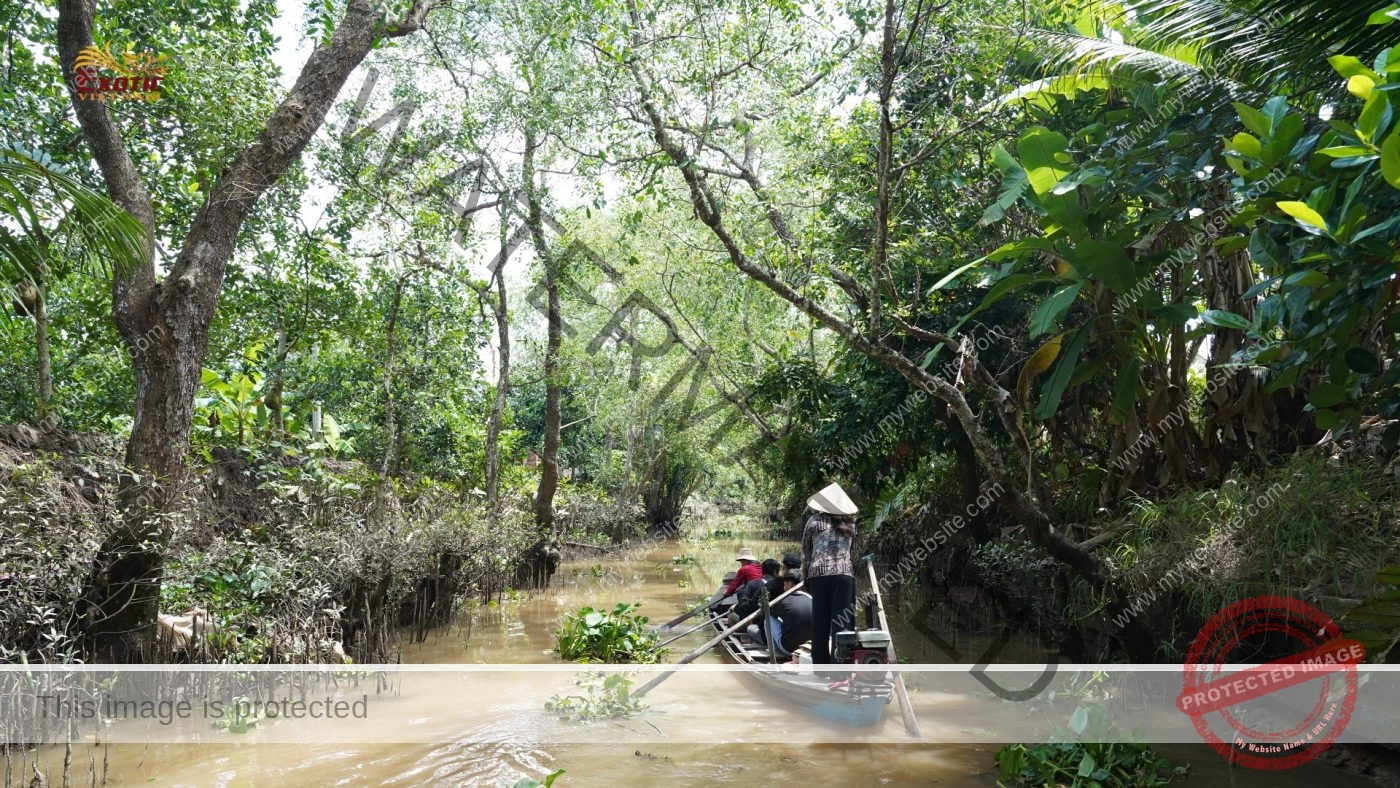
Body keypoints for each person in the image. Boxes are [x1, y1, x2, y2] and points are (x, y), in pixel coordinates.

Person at [801, 482, 858, 673]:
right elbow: (851, 551)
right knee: (842, 624)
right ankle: (840, 669)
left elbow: (806, 553)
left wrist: (806, 580)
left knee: (820, 623)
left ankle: (821, 669)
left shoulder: (813, 522)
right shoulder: (850, 524)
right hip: (844, 576)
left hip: (819, 575)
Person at [767, 571, 812, 658]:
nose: (784, 588)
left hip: (789, 649)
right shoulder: (812, 599)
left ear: (790, 584)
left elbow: (769, 613)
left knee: (768, 618)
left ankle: (775, 652)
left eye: (784, 585)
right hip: (810, 649)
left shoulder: (783, 600)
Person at [731, 558, 782, 624]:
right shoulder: (783, 585)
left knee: (731, 614)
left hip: (758, 623)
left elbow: (746, 607)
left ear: (762, 570)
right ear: (776, 571)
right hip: (780, 622)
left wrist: (735, 607)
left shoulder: (753, 584)